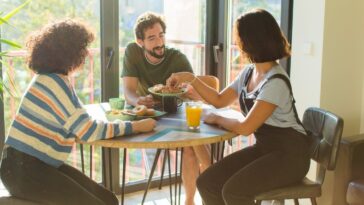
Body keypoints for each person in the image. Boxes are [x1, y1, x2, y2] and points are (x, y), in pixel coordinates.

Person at [0, 19, 156, 205]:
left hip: (30, 166)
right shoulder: (54, 84)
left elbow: (79, 122)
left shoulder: (52, 79)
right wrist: (136, 126)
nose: (86, 53)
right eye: (83, 48)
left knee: (108, 200)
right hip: (24, 171)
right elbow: (89, 131)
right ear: (69, 53)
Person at [166, 9, 311, 205]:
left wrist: (216, 119)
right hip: (266, 149)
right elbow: (219, 100)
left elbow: (246, 128)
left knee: (234, 192)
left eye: (239, 37)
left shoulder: (275, 82)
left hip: (290, 157)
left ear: (252, 41)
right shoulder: (250, 72)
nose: (237, 43)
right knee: (208, 182)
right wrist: (192, 79)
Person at [121, 12, 211, 205]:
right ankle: (215, 179)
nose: (159, 42)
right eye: (152, 38)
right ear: (140, 41)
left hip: (176, 113)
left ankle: (189, 200)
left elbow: (193, 92)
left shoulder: (177, 59)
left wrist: (188, 90)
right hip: (149, 116)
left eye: (161, 35)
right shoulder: (132, 52)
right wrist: (139, 101)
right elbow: (128, 91)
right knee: (194, 144)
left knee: (190, 146)